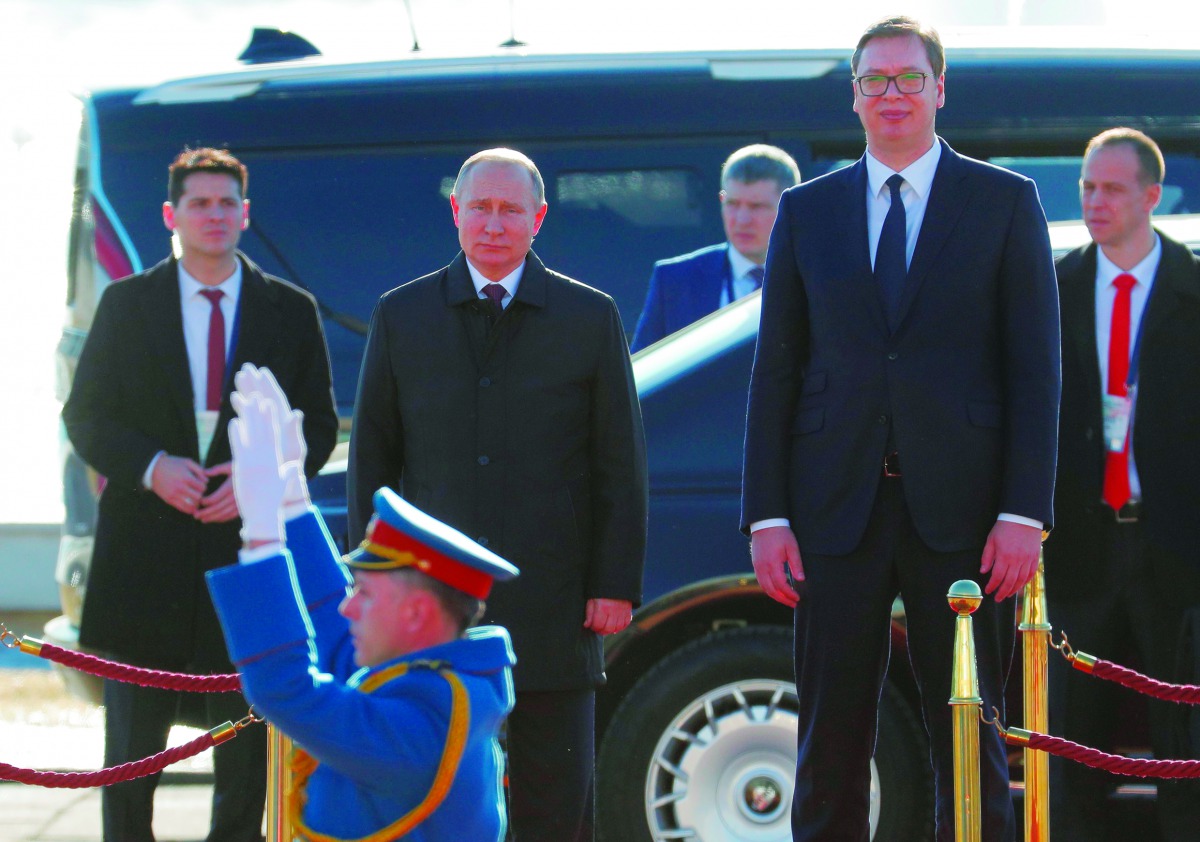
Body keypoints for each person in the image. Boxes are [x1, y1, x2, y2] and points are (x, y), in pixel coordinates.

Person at [741, 16, 1060, 842]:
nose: (892, 95)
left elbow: (1035, 370)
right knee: (832, 737)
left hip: (963, 514)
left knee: (970, 728)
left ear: (939, 89)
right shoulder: (807, 211)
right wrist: (767, 514)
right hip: (831, 512)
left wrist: (1025, 513)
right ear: (854, 96)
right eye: (874, 80)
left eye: (908, 79)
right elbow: (776, 368)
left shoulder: (1003, 201)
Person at [348, 147, 647, 841]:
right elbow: (374, 467)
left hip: (556, 604)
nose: (493, 223)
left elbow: (619, 464)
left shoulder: (589, 316)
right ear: (456, 212)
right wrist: (374, 591)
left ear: (538, 218)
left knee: (556, 806)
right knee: (431, 798)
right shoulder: (402, 315)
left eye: (510, 209)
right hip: (431, 612)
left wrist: (613, 583)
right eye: (478, 206)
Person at [61, 147, 338, 842]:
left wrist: (256, 489)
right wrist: (153, 466)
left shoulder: (291, 311)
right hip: (142, 563)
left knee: (246, 760)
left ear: (245, 215)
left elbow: (321, 424)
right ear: (171, 215)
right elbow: (86, 416)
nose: (214, 215)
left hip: (249, 565)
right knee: (131, 759)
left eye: (226, 204)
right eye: (199, 203)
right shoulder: (127, 305)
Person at [207, 365, 518, 841]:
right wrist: (291, 497)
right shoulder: (433, 687)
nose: (349, 608)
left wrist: (262, 534)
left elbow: (285, 689)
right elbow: (337, 647)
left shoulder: (420, 728)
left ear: (416, 614)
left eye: (365, 595)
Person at [1045, 127, 1200, 842]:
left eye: (1111, 188)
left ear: (1151, 195)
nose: (1094, 201)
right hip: (1082, 539)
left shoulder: (1192, 290)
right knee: (1075, 726)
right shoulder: (1058, 287)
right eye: (1086, 186)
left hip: (1175, 542)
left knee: (1182, 726)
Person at [630, 144, 800, 351]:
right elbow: (639, 373)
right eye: (732, 204)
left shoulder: (815, 277)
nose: (742, 219)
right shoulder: (675, 279)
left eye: (757, 207)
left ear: (790, 207)